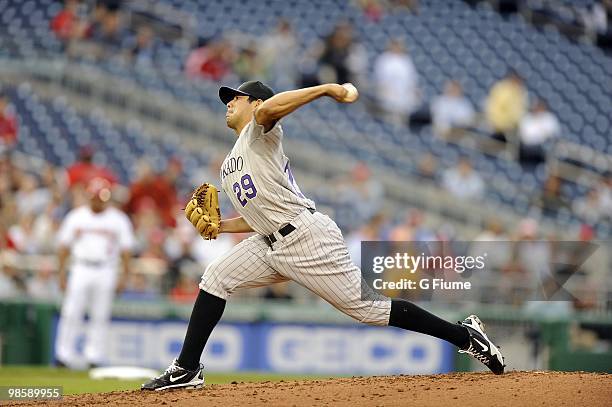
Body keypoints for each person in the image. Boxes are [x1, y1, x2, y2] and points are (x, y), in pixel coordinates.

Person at [141, 80, 504, 391]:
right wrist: (221, 226)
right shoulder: (229, 164)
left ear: (255, 103)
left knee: (369, 309)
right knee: (216, 277)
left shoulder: (260, 130)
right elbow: (258, 217)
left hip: (306, 237)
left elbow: (271, 110)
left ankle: (466, 336)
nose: (229, 102)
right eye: (228, 99)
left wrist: (327, 89)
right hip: (269, 241)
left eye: (236, 97)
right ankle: (187, 368)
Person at [55, 178, 134, 368]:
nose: (98, 200)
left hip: (106, 268)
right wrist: (61, 274)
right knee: (71, 312)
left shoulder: (118, 219)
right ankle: (63, 355)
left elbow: (126, 251)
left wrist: (124, 276)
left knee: (100, 314)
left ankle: (94, 356)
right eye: (95, 197)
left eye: (102, 197)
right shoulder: (76, 216)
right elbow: (63, 247)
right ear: (88, 196)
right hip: (80, 267)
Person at [517, 100, 560, 167]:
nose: (538, 108)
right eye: (537, 106)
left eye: (540, 106)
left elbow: (553, 135)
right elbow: (524, 135)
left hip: (544, 147)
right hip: (527, 147)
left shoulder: (549, 118)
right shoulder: (527, 118)